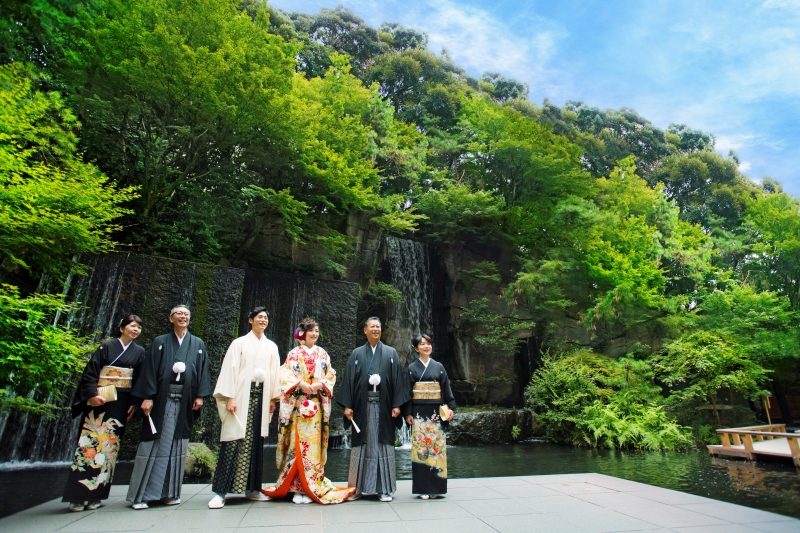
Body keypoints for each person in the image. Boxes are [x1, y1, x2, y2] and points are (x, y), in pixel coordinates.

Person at [126, 304, 212, 510]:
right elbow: (149, 370)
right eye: (179, 314)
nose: (183, 317)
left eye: (186, 314)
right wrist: (147, 397)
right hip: (160, 400)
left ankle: (170, 493)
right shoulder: (160, 342)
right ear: (171, 318)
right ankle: (142, 495)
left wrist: (200, 395)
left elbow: (203, 370)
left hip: (184, 401)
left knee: (178, 445)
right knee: (153, 443)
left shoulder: (197, 344)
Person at [264, 318, 356, 504]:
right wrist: (300, 384)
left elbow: (331, 373)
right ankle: (296, 486)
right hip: (297, 404)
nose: (314, 334)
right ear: (303, 333)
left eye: (316, 331)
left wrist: (319, 385)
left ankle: (312, 485)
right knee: (296, 445)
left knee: (312, 448)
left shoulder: (322, 353)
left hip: (316, 406)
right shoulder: (293, 353)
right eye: (311, 331)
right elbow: (284, 373)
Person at [63, 315, 146, 512]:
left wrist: (135, 403)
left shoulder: (140, 352)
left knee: (110, 447)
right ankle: (77, 496)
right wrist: (91, 394)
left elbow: (140, 380)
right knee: (88, 446)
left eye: (139, 328)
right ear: (122, 328)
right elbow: (91, 372)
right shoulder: (107, 347)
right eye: (132, 326)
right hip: (99, 399)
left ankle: (96, 496)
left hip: (121, 402)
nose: (136, 330)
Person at [207, 307, 281, 509]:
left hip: (262, 398)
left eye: (266, 317)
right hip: (240, 396)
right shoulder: (238, 343)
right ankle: (220, 492)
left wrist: (274, 399)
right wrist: (229, 397)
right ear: (250, 320)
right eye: (259, 317)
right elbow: (229, 370)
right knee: (232, 442)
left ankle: (252, 489)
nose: (263, 320)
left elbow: (275, 374)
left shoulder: (272, 346)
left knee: (256, 442)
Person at [338, 317, 409, 502]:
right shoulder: (356, 354)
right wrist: (347, 405)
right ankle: (357, 489)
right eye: (372, 326)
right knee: (361, 445)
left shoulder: (391, 353)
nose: (376, 329)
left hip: (384, 407)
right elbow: (349, 380)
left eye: (378, 326)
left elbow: (397, 381)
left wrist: (396, 405)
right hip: (361, 407)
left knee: (383, 444)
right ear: (365, 330)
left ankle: (385, 489)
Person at [404, 334, 456, 499]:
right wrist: (408, 413)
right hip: (419, 412)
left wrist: (451, 407)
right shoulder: (412, 368)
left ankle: (437, 488)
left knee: (437, 450)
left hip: (436, 413)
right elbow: (407, 393)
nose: (426, 346)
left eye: (428, 344)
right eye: (422, 344)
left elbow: (446, 388)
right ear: (416, 348)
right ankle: (423, 488)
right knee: (421, 449)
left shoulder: (439, 367)